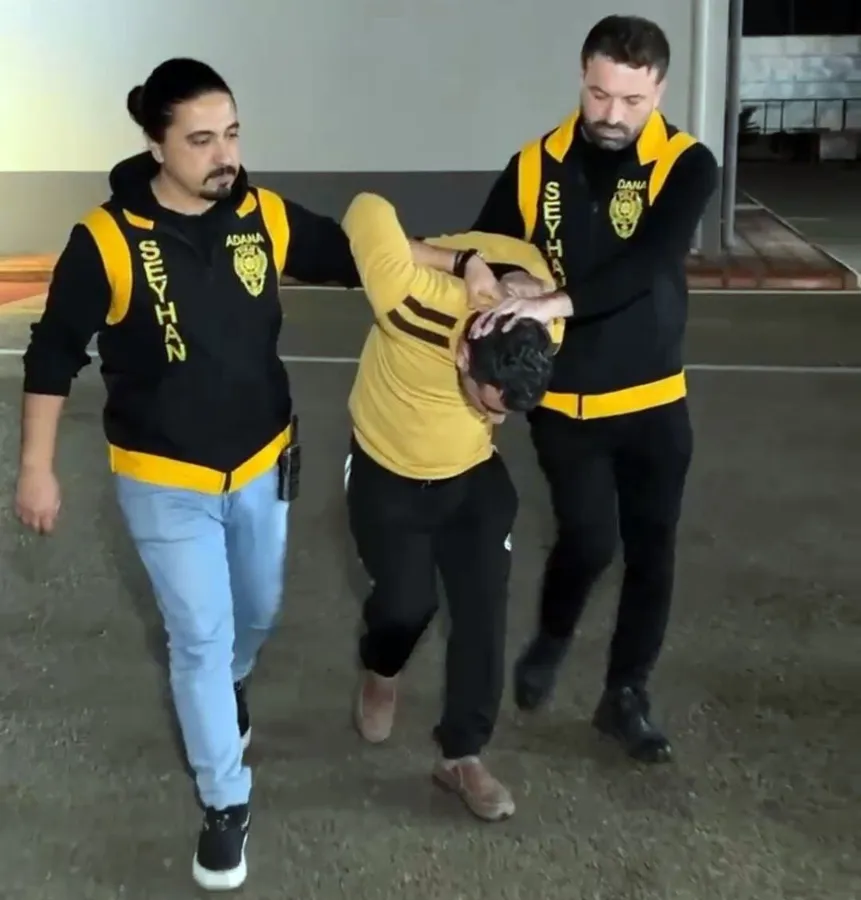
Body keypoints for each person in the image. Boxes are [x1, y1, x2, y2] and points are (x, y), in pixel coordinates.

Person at [14, 59, 499, 893]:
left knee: (257, 614)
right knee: (198, 638)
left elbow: (358, 252)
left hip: (262, 464)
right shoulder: (106, 241)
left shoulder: (259, 214)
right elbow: (53, 353)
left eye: (232, 134)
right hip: (162, 478)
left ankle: (231, 686)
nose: (224, 155)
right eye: (201, 140)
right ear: (156, 145)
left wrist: (460, 263)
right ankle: (224, 802)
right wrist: (35, 468)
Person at [468, 15, 719, 764]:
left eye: (631, 101)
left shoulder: (686, 163)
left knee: (652, 550)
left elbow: (649, 262)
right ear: (582, 76)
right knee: (587, 539)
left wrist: (554, 301)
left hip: (654, 400)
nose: (612, 115)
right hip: (566, 405)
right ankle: (552, 637)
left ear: (659, 91)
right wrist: (503, 274)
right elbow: (483, 245)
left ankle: (625, 693)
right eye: (599, 94)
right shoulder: (533, 164)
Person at [340, 192, 563, 821]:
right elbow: (365, 210)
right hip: (387, 471)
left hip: (469, 477)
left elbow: (542, 284)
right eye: (488, 402)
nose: (498, 417)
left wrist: (525, 284)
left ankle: (462, 754)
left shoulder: (540, 325)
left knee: (483, 607)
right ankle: (382, 669)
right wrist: (461, 260)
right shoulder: (408, 300)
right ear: (464, 354)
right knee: (405, 606)